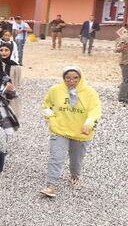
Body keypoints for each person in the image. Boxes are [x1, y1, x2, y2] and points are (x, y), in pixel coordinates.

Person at [40, 66, 102, 197]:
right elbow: (46, 105)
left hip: (81, 132)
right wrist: (51, 118)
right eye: (68, 78)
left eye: (75, 78)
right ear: (63, 78)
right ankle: (51, 185)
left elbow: (95, 110)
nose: (71, 81)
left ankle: (75, 176)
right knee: (56, 157)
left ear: (80, 78)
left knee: (76, 159)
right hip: (60, 130)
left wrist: (89, 123)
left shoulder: (90, 92)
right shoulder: (55, 90)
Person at [116, 25, 128, 105]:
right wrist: (122, 48)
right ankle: (122, 97)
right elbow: (116, 49)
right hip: (125, 62)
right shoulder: (124, 38)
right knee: (126, 80)